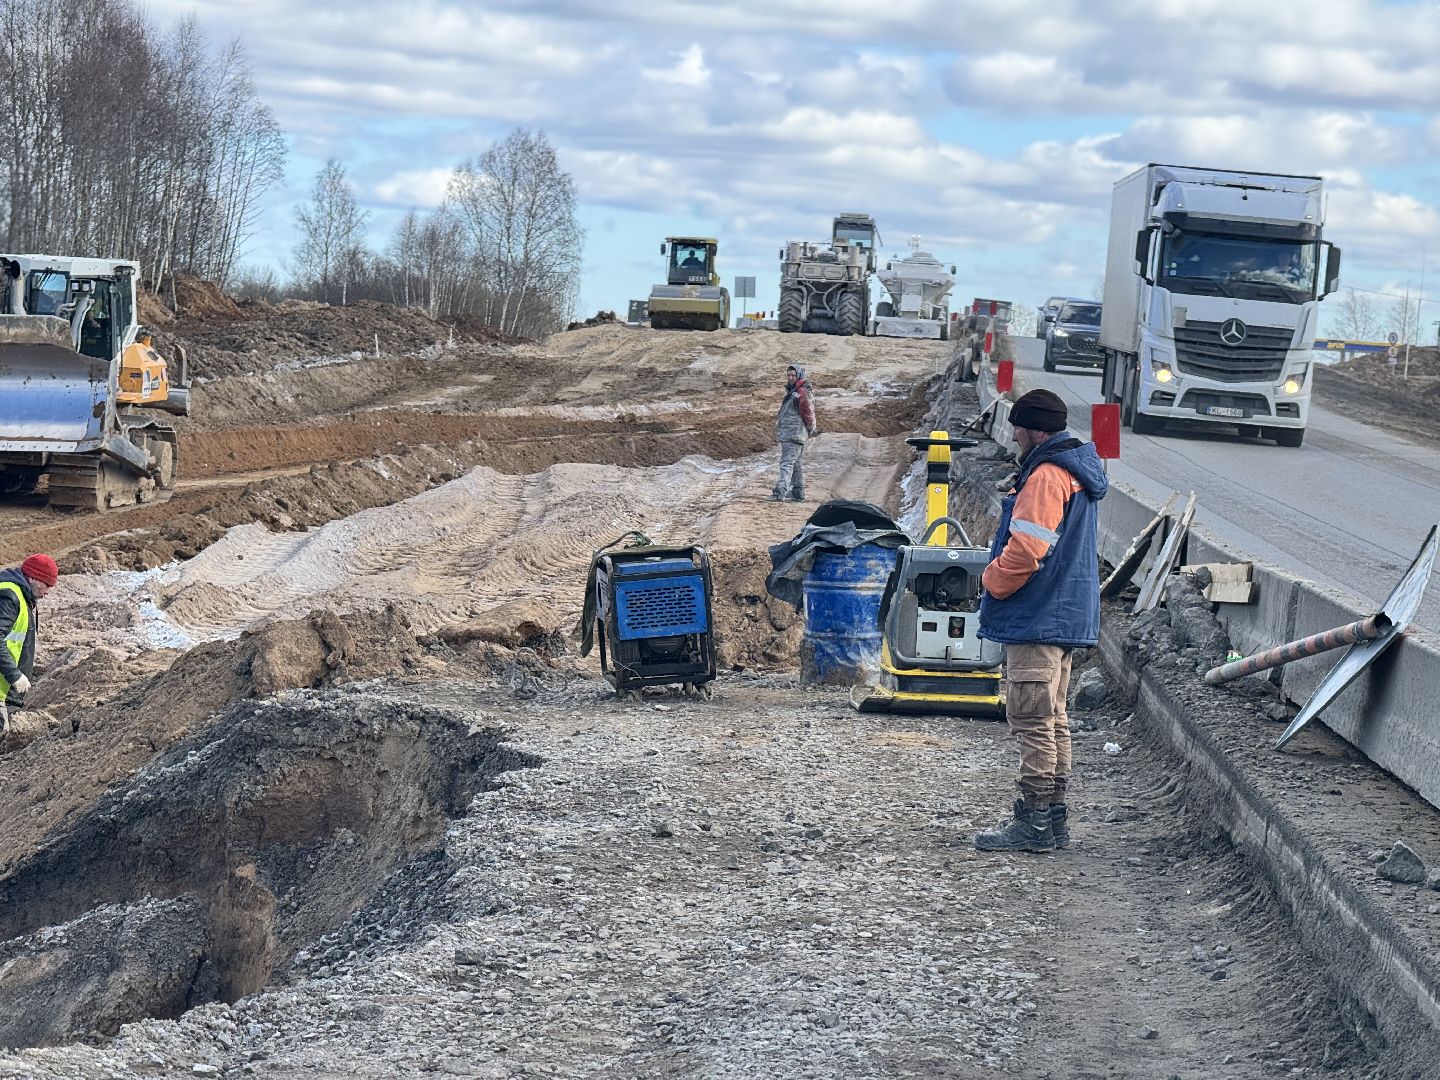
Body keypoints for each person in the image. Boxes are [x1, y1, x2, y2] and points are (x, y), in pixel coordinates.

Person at [974, 389, 1107, 853]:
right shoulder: (1075, 472)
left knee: (1031, 719)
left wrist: (991, 581)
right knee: (1053, 718)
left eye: (1017, 427)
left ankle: (1033, 822)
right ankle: (1053, 821)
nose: (1013, 436)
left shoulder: (1047, 476)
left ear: (1035, 430)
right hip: (1063, 614)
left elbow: (1028, 550)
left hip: (1038, 615)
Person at [0, 554, 58, 739]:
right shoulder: (10, 597)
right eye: (47, 585)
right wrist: (15, 675)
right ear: (33, 578)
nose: (48, 592)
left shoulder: (22, 596)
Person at [771, 365, 816, 501]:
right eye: (788, 375)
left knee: (786, 463)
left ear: (799, 376)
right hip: (793, 433)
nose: (790, 378)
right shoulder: (795, 391)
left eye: (793, 375)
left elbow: (808, 413)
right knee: (795, 463)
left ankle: (780, 491)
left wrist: (810, 429)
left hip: (794, 433)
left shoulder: (801, 392)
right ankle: (798, 492)